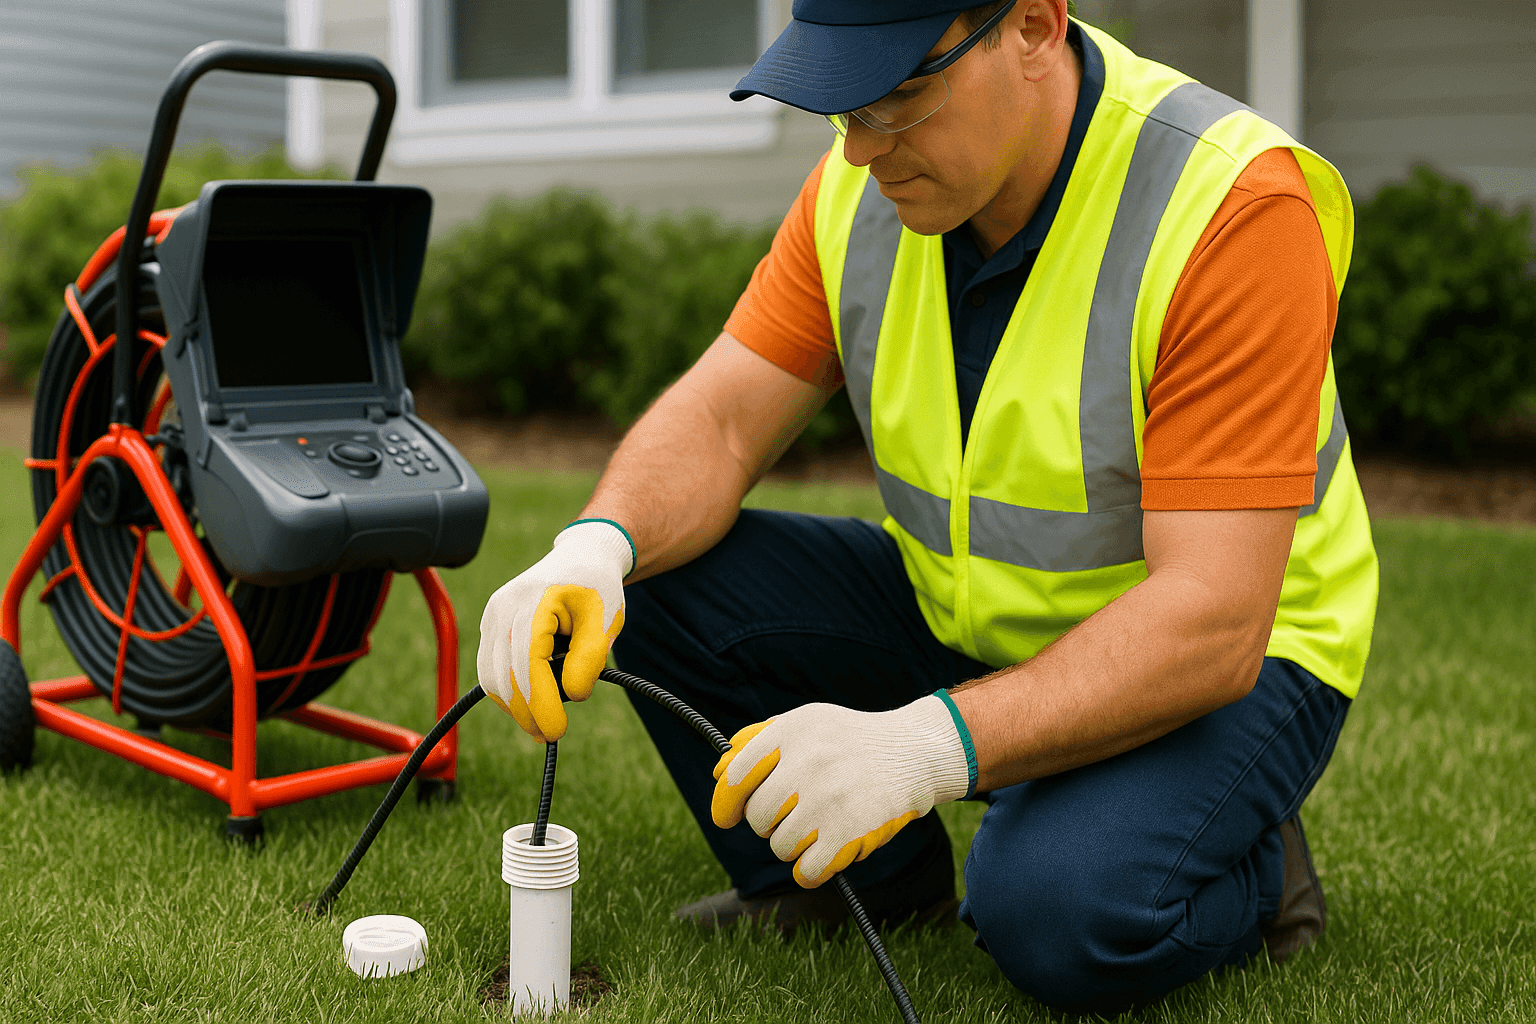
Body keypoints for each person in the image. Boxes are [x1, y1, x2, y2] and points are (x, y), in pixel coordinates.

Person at [476, 0, 1378, 1013]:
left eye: (901, 95)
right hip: (974, 614)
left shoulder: (1228, 205)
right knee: (650, 573)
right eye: (841, 104)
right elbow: (725, 421)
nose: (861, 149)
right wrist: (593, 545)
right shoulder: (860, 188)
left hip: (1233, 660)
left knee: (1052, 910)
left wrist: (923, 746)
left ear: (1034, 26)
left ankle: (1254, 877)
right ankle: (859, 885)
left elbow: (1214, 617)